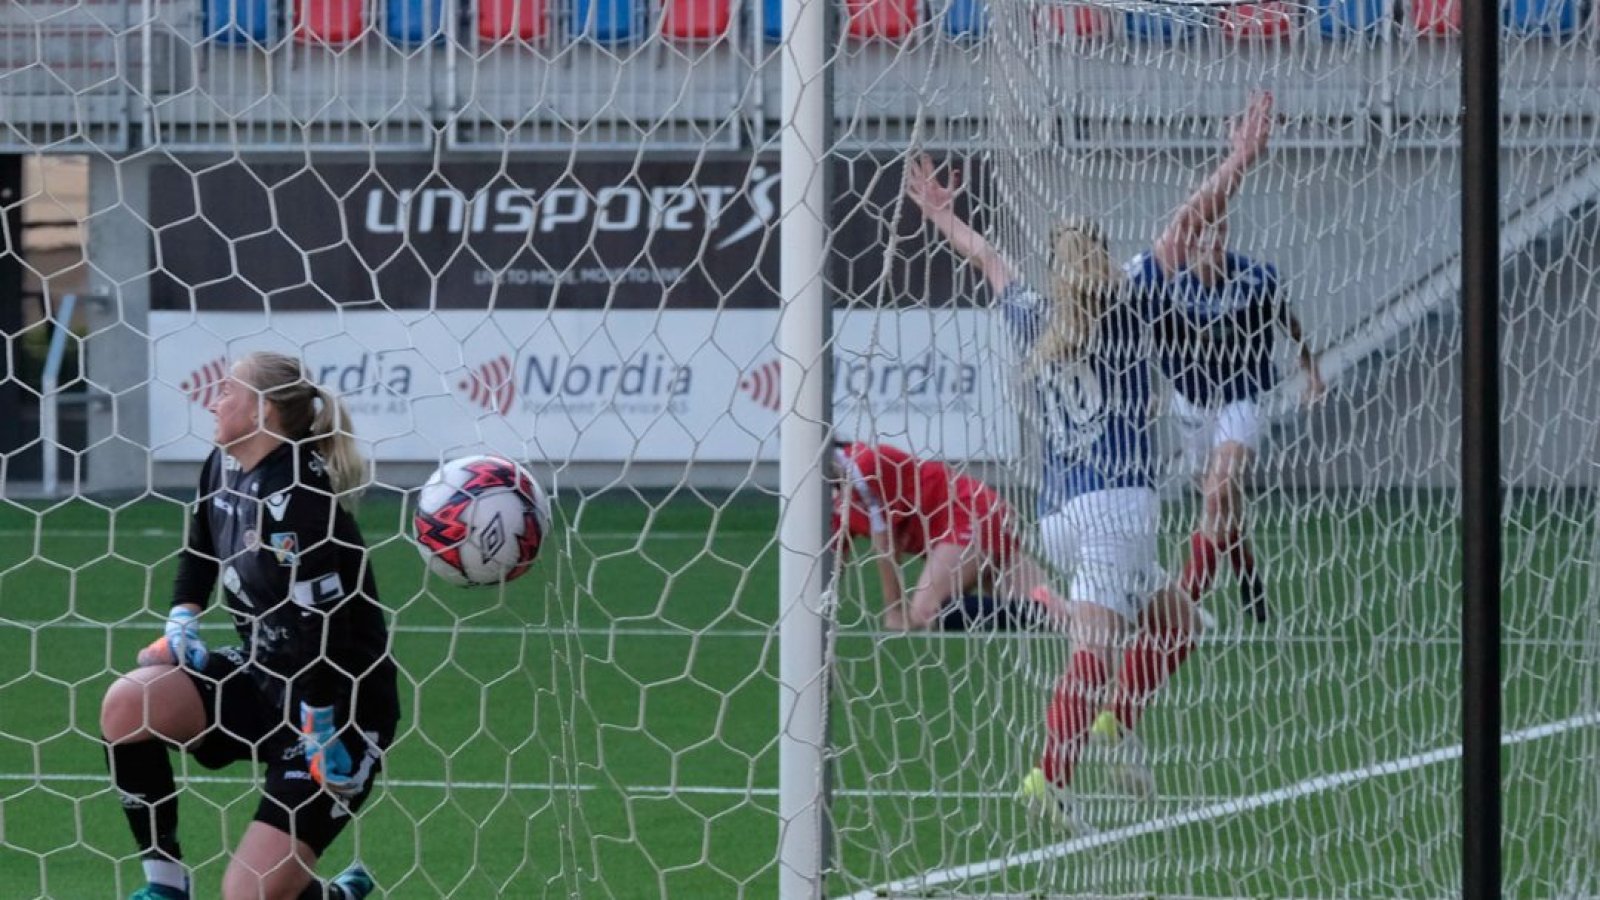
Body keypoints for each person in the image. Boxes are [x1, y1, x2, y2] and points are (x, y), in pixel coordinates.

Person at [904, 155, 1206, 828]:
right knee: (1094, 653)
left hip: (1060, 514)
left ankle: (1114, 723)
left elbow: (986, 259)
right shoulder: (1128, 303)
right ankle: (1050, 776)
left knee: (1178, 622)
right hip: (1115, 511)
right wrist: (1238, 160)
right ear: (1100, 258)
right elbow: (1186, 226)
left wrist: (941, 213)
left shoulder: (1033, 315)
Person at [99, 351, 398, 900]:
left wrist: (322, 722)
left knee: (249, 894)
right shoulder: (223, 465)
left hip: (338, 708)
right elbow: (201, 548)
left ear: (263, 410)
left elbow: (323, 625)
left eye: (227, 391)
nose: (214, 401)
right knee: (128, 703)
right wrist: (183, 617)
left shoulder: (301, 501)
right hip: (266, 678)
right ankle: (165, 885)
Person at [1127, 89, 1325, 624]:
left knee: (1220, 488)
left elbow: (1287, 321)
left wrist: (1311, 371)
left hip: (1242, 397)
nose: (1210, 240)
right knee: (1221, 508)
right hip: (1192, 401)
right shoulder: (1162, 279)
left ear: (1227, 234)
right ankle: (1250, 581)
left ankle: (1187, 601)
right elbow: (1180, 229)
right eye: (1202, 234)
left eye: (1218, 232)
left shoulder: (1255, 277)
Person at [831, 440, 1067, 632]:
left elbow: (886, 547)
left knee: (924, 612)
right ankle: (1054, 612)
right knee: (1061, 615)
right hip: (976, 520)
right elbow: (831, 564)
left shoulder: (862, 465)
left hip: (971, 513)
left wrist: (894, 612)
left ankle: (1042, 612)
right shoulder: (829, 499)